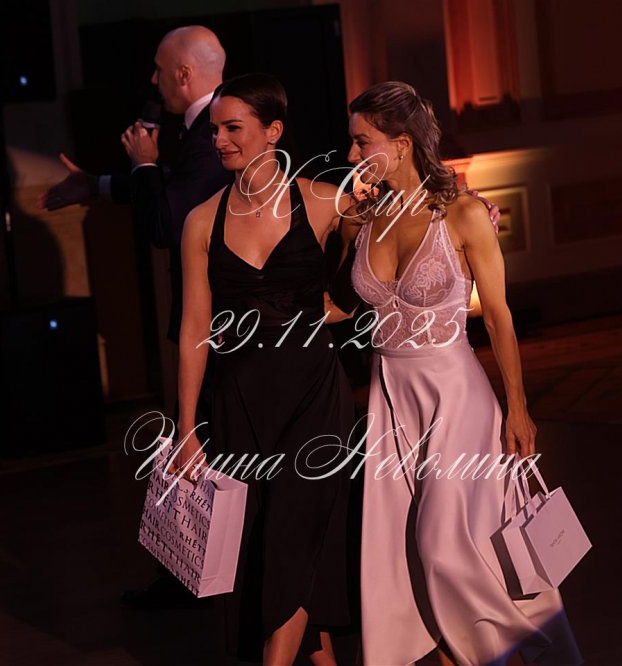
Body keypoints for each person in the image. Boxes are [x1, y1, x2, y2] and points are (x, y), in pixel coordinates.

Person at [330, 81, 583, 666]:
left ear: (400, 144)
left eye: (361, 141)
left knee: (441, 547)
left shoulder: (465, 214)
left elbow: (497, 316)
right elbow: (339, 304)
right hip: (390, 402)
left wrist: (518, 408)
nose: (350, 154)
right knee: (412, 557)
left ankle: (509, 649)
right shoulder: (359, 221)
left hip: (455, 399)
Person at [37, 25, 232, 611]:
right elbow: (179, 187)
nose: (152, 79)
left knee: (200, 443)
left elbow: (168, 223)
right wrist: (100, 184)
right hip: (211, 316)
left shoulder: (215, 131)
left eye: (158, 69)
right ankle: (187, 573)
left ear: (182, 74)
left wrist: (144, 165)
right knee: (193, 442)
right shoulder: (207, 125)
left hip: (220, 319)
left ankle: (199, 578)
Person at [174, 73, 353, 664]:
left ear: (273, 131)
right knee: (267, 553)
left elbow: (389, 254)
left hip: (315, 399)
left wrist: (468, 209)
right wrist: (186, 428)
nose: (219, 140)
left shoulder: (325, 201)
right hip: (240, 405)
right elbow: (194, 330)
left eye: (233, 128)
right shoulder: (202, 220)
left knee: (295, 535)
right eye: (214, 130)